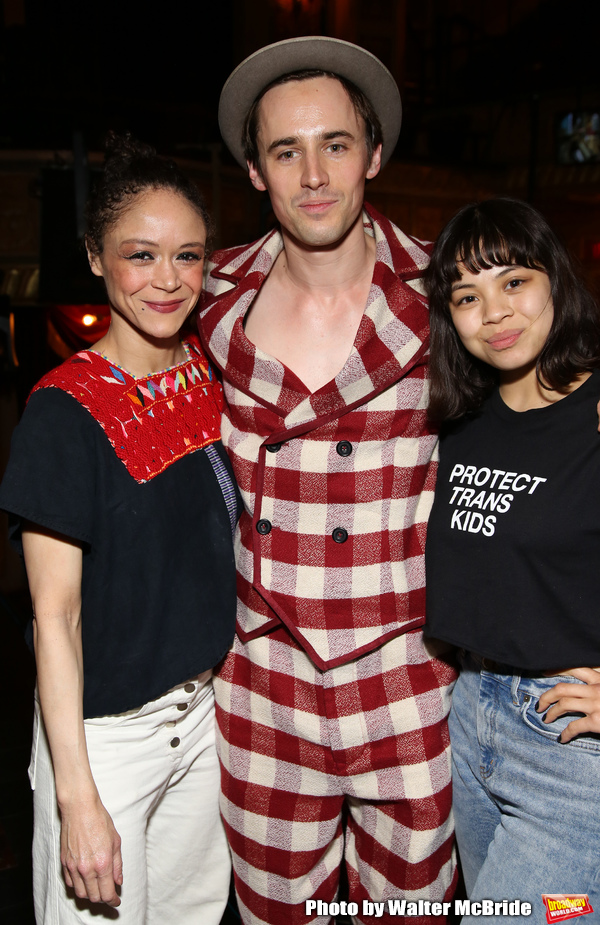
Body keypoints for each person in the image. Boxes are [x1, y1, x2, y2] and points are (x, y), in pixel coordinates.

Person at [199, 36, 457, 924]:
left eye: (335, 145)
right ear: (254, 171)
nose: (314, 174)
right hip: (262, 680)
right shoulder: (204, 304)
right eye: (285, 150)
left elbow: (552, 452)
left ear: (373, 154)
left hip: (411, 681)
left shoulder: (450, 297)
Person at [0, 134, 238, 925]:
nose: (168, 280)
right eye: (141, 254)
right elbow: (54, 618)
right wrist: (77, 796)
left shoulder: (206, 377)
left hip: (203, 725)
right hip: (106, 742)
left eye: (189, 257)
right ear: (98, 259)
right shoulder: (61, 411)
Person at [424, 197, 600, 922]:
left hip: (569, 749)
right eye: (467, 296)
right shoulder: (462, 421)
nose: (493, 311)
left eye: (513, 281)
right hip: (470, 724)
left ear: (554, 280)